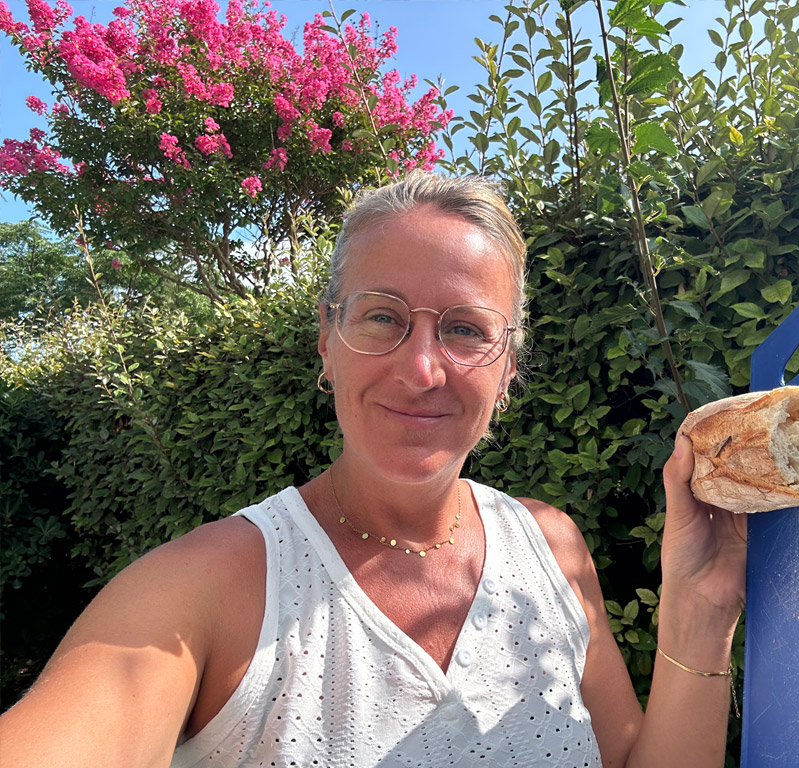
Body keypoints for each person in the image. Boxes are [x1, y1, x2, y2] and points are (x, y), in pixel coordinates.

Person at [0, 172, 746, 767]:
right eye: (382, 316)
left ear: (508, 369)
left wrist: (701, 611)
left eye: (465, 329)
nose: (422, 370)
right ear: (328, 340)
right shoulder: (207, 591)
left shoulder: (553, 546)